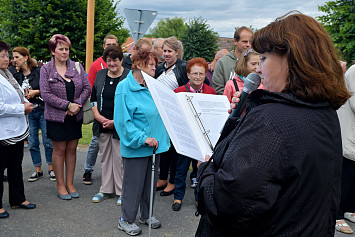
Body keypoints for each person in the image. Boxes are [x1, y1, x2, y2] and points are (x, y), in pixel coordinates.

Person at [196, 11, 350, 236]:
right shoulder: (324, 112)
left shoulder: (271, 122)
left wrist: (205, 171)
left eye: (264, 59)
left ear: (291, 59)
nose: (258, 69)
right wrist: (248, 116)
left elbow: (224, 205)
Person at [114, 50, 170, 236]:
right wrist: (142, 138)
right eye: (151, 64)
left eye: (155, 64)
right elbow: (123, 122)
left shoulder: (154, 85)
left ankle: (146, 215)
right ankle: (126, 220)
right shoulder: (124, 87)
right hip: (137, 146)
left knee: (149, 185)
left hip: (155, 146)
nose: (155, 67)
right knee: (133, 186)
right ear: (138, 64)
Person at [40, 34, 91, 200]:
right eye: (60, 49)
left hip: (74, 117)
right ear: (53, 51)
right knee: (59, 150)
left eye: (66, 49)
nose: (64, 52)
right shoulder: (46, 69)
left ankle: (70, 183)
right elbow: (45, 94)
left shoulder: (77, 66)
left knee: (71, 149)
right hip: (56, 117)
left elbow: (86, 88)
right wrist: (67, 106)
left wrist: (76, 105)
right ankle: (60, 185)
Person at [172, 57, 216, 212]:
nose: (198, 77)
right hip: (185, 137)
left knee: (200, 170)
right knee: (181, 168)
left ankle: (199, 198)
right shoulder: (178, 92)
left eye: (201, 74)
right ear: (188, 74)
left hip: (202, 138)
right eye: (194, 73)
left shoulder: (210, 92)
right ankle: (178, 197)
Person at [0, 40, 36, 219]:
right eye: (3, 56)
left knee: (15, 166)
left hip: (16, 130)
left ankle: (17, 199)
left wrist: (24, 102)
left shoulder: (8, 74)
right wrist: (22, 108)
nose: (7, 59)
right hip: (3, 132)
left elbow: (15, 96)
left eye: (7, 55)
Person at [91, 45, 129, 205]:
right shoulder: (100, 74)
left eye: (115, 60)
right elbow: (93, 98)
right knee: (105, 157)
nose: (112, 64)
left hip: (120, 125)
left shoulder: (128, 77)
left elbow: (130, 102)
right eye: (109, 60)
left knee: (120, 159)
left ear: (121, 60)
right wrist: (98, 117)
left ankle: (122, 191)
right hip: (102, 123)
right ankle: (106, 189)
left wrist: (116, 122)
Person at [12, 47, 54, 182]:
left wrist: (35, 92)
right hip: (28, 112)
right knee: (32, 141)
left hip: (42, 109)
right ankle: (38, 170)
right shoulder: (16, 76)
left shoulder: (39, 71)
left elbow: (47, 89)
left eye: (17, 57)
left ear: (26, 57)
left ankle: (51, 169)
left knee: (48, 140)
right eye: (13, 57)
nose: (14, 60)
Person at [83, 34, 119, 185]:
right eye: (108, 44)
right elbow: (91, 88)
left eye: (114, 45)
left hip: (116, 114)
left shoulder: (123, 68)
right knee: (95, 142)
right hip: (100, 112)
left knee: (116, 147)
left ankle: (115, 180)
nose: (111, 47)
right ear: (103, 46)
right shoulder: (96, 65)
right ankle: (88, 169)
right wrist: (96, 111)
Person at [154, 36, 187, 197]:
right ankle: (162, 178)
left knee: (174, 150)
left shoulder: (182, 68)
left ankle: (173, 181)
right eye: (164, 51)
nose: (166, 54)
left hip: (175, 115)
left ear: (177, 52)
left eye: (170, 51)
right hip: (159, 115)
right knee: (163, 148)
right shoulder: (159, 68)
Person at [336, 64, 355, 234]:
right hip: (349, 132)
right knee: (345, 175)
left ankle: (350, 209)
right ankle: (337, 215)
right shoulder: (354, 72)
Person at [212, 27, 253, 95]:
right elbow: (218, 89)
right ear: (235, 41)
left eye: (250, 42)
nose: (248, 45)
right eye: (244, 42)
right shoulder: (222, 63)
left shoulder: (256, 63)